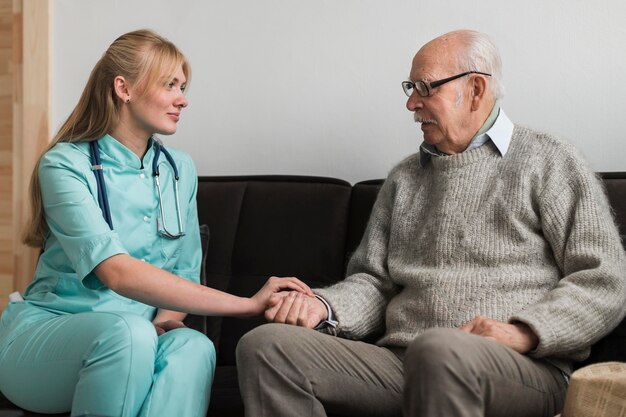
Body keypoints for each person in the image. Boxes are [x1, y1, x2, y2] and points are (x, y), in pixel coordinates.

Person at [236, 29, 626, 417]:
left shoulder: (551, 161)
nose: (411, 103)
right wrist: (324, 306)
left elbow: (605, 279)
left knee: (438, 349)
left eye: (425, 87)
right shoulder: (405, 178)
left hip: (521, 369)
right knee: (266, 347)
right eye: (410, 87)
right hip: (401, 363)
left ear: (475, 89)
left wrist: (525, 331)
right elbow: (374, 283)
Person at [0, 29, 311, 417]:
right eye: (170, 85)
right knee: (128, 334)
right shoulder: (65, 165)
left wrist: (166, 321)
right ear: (123, 88)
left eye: (183, 86)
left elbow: (183, 267)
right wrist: (247, 305)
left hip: (138, 337)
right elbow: (117, 272)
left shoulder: (179, 169)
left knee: (194, 347)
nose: (183, 98)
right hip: (47, 341)